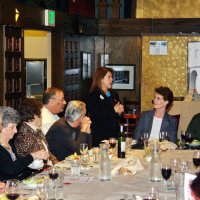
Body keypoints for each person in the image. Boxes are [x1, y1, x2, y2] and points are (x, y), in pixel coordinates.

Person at [0, 106, 49, 181]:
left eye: (16, 127)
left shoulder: (10, 145)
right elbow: (10, 170)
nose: (16, 131)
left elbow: (18, 170)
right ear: (2, 127)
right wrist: (33, 156)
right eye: (12, 127)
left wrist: (34, 168)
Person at [87, 67, 124, 147]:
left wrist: (120, 112)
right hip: (100, 135)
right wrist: (113, 110)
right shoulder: (93, 95)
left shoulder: (114, 94)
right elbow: (95, 116)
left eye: (112, 77)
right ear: (101, 79)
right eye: (109, 77)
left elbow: (119, 116)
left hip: (114, 134)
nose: (112, 79)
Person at [15, 98, 58, 165]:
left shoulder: (36, 129)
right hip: (36, 173)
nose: (42, 117)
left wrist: (55, 162)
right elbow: (34, 164)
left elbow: (47, 151)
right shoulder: (25, 135)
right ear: (35, 117)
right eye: (41, 114)